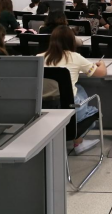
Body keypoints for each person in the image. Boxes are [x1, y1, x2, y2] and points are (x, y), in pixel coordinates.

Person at [38, 26, 107, 154]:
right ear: (71, 41)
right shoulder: (75, 57)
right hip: (69, 113)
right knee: (93, 111)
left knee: (78, 87)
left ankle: (73, 139)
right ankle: (78, 141)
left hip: (42, 112)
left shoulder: (39, 57)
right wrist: (102, 64)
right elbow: (101, 73)